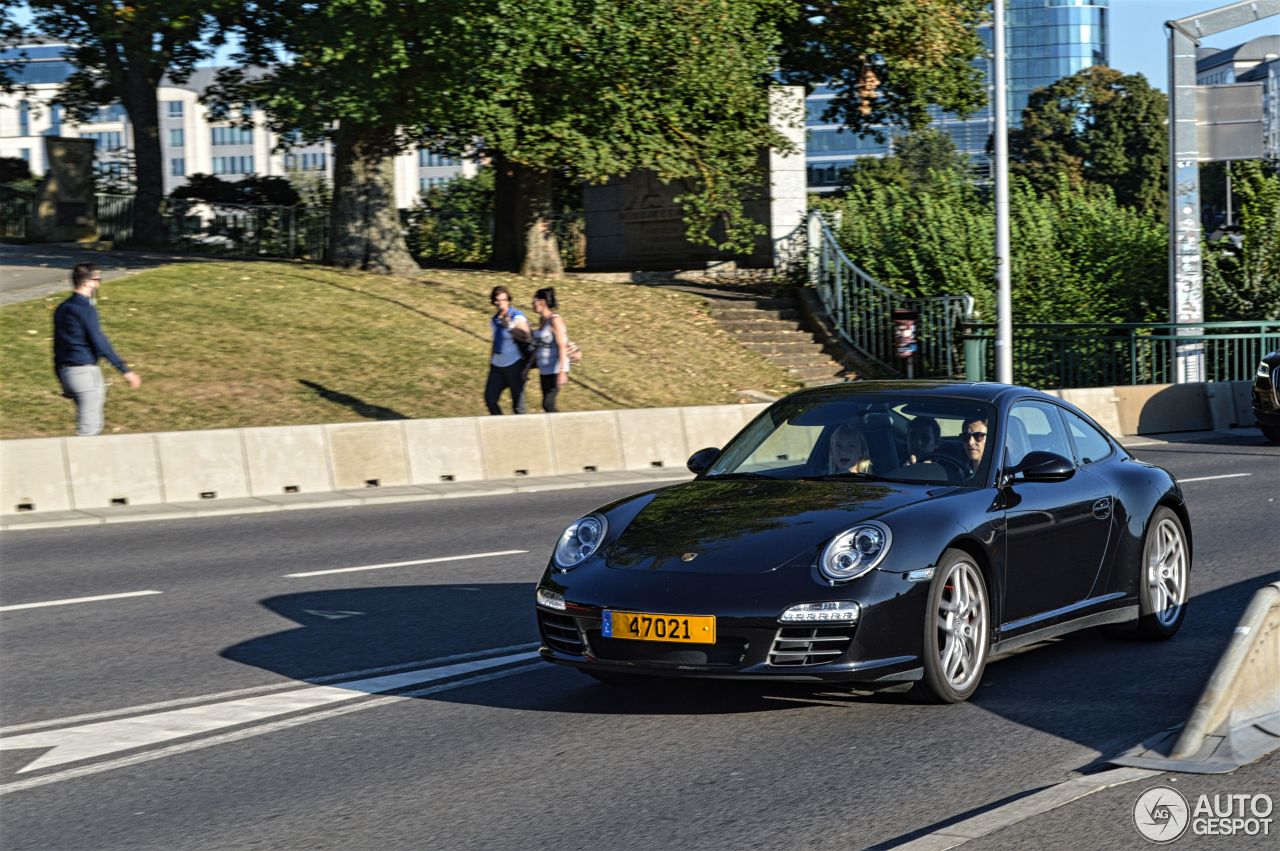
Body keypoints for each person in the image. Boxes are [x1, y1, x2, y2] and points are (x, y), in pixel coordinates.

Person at [52, 262, 142, 436]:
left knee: (87, 425)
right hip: (86, 373)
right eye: (97, 279)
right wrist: (125, 371)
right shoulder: (86, 309)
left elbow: (57, 347)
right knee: (89, 430)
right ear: (88, 282)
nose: (99, 284)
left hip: (67, 373)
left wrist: (62, 379)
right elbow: (99, 342)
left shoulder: (61, 309)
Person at [484, 285, 531, 415]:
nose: (500, 303)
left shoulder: (517, 316)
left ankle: (525, 432)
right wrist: (491, 361)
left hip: (514, 365)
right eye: (497, 300)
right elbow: (495, 341)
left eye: (503, 300)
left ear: (508, 300)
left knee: (518, 406)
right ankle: (500, 425)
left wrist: (510, 326)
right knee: (490, 398)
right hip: (497, 365)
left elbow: (526, 336)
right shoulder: (494, 320)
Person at [530, 287, 570, 413]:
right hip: (544, 370)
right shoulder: (542, 320)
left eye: (534, 301)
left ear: (542, 302)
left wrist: (562, 372)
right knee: (546, 405)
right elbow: (540, 345)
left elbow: (562, 346)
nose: (532, 304)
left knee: (548, 404)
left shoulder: (555, 320)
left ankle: (567, 428)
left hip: (556, 369)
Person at [960, 414, 989, 478]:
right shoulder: (955, 471)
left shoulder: (998, 476)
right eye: (966, 436)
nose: (970, 442)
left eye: (978, 436)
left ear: (990, 438)